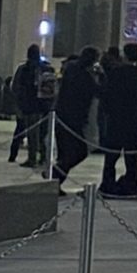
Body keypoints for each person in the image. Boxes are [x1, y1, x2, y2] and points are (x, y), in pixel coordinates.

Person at [100, 43, 137, 199]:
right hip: (133, 120)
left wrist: (108, 112)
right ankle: (131, 183)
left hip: (116, 119)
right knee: (132, 156)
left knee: (111, 156)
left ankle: (107, 183)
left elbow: (107, 95)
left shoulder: (116, 73)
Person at [50, 46, 100, 192]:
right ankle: (55, 173)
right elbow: (98, 91)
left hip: (62, 114)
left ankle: (55, 182)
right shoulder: (84, 76)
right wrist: (102, 76)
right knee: (79, 151)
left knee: (64, 153)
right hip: (74, 118)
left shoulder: (70, 69)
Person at [8, 44, 56, 167]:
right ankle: (42, 157)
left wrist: (18, 104)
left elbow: (15, 88)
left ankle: (33, 158)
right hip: (41, 106)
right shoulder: (46, 68)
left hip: (31, 105)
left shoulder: (24, 69)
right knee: (41, 134)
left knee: (33, 135)